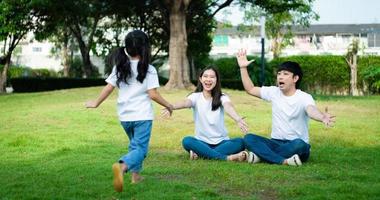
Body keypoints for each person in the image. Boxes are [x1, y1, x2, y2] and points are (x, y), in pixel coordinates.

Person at [85, 30, 173, 192]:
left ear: (127, 48)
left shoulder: (120, 67)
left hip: (125, 117)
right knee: (140, 149)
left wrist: (96, 103)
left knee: (135, 146)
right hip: (142, 117)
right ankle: (122, 166)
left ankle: (136, 176)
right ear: (145, 48)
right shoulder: (149, 69)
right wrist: (168, 105)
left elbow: (109, 88)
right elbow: (152, 94)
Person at [236, 49, 335, 166]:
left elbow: (311, 110)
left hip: (295, 144)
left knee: (300, 145)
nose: (280, 77)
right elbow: (250, 89)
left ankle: (262, 156)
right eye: (279, 74)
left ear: (295, 79)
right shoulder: (274, 92)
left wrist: (322, 117)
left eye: (285, 74)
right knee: (249, 138)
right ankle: (284, 161)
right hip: (275, 142)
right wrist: (243, 68)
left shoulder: (304, 97)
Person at [162, 66, 249, 162]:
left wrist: (237, 119)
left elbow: (228, 107)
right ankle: (227, 158)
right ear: (200, 79)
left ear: (216, 80)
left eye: (212, 77)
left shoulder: (222, 97)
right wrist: (171, 106)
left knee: (241, 142)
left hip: (222, 142)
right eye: (205, 76)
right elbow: (185, 103)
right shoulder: (195, 97)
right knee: (187, 141)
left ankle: (201, 154)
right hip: (201, 142)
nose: (208, 79)